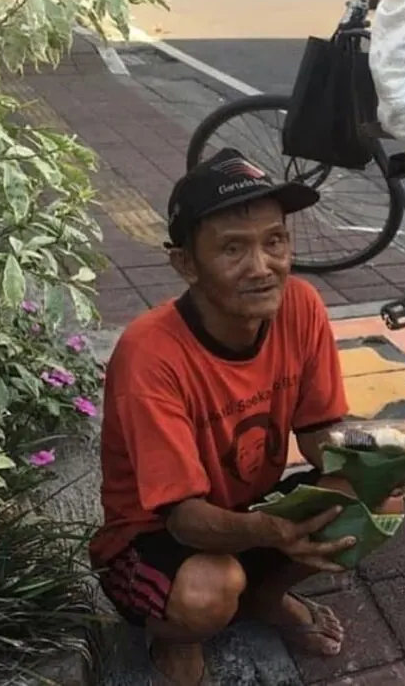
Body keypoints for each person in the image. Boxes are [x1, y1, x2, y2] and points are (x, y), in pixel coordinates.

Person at [90, 149, 364, 686]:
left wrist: (376, 459)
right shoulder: (150, 353)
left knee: (372, 496)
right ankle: (177, 639)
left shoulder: (301, 306)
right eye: (233, 249)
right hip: (152, 538)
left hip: (247, 511)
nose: (263, 267)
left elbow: (316, 434)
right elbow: (183, 519)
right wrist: (273, 530)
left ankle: (264, 597)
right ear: (186, 264)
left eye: (275, 241)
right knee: (209, 590)